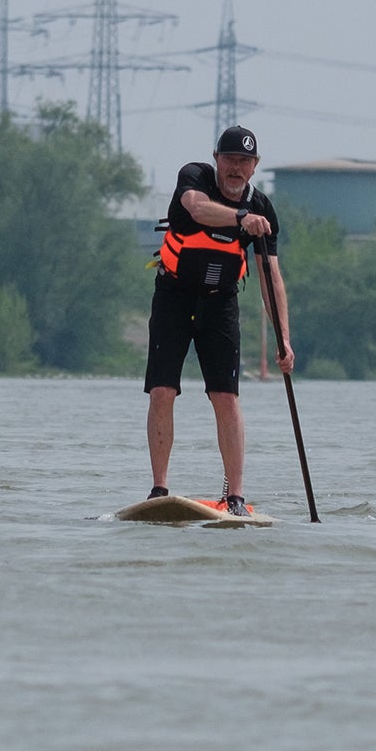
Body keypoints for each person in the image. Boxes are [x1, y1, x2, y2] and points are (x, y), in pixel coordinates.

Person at [144, 124, 293, 517]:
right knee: (163, 390)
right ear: (216, 160)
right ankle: (159, 488)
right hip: (173, 296)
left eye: (244, 161)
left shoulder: (263, 209)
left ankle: (236, 497)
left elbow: (270, 278)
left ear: (255, 166)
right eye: (229, 159)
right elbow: (195, 208)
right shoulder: (195, 177)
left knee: (225, 397)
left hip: (220, 303)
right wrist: (241, 217)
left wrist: (284, 341)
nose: (235, 168)